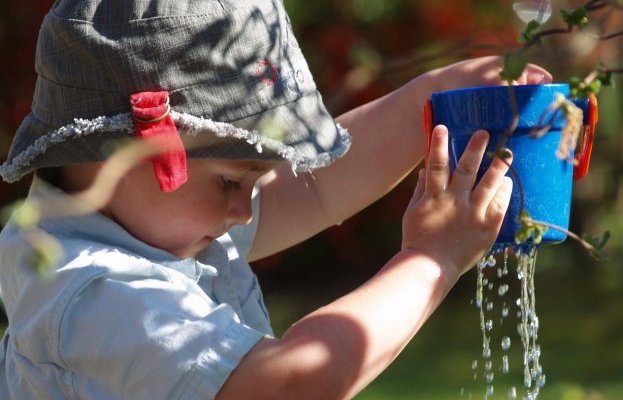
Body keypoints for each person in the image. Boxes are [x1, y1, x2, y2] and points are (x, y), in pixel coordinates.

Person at [0, 0, 552, 399]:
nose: (244, 209)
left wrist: (430, 101)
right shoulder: (95, 294)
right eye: (231, 182)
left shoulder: (146, 227)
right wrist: (433, 259)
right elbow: (294, 383)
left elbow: (322, 189)